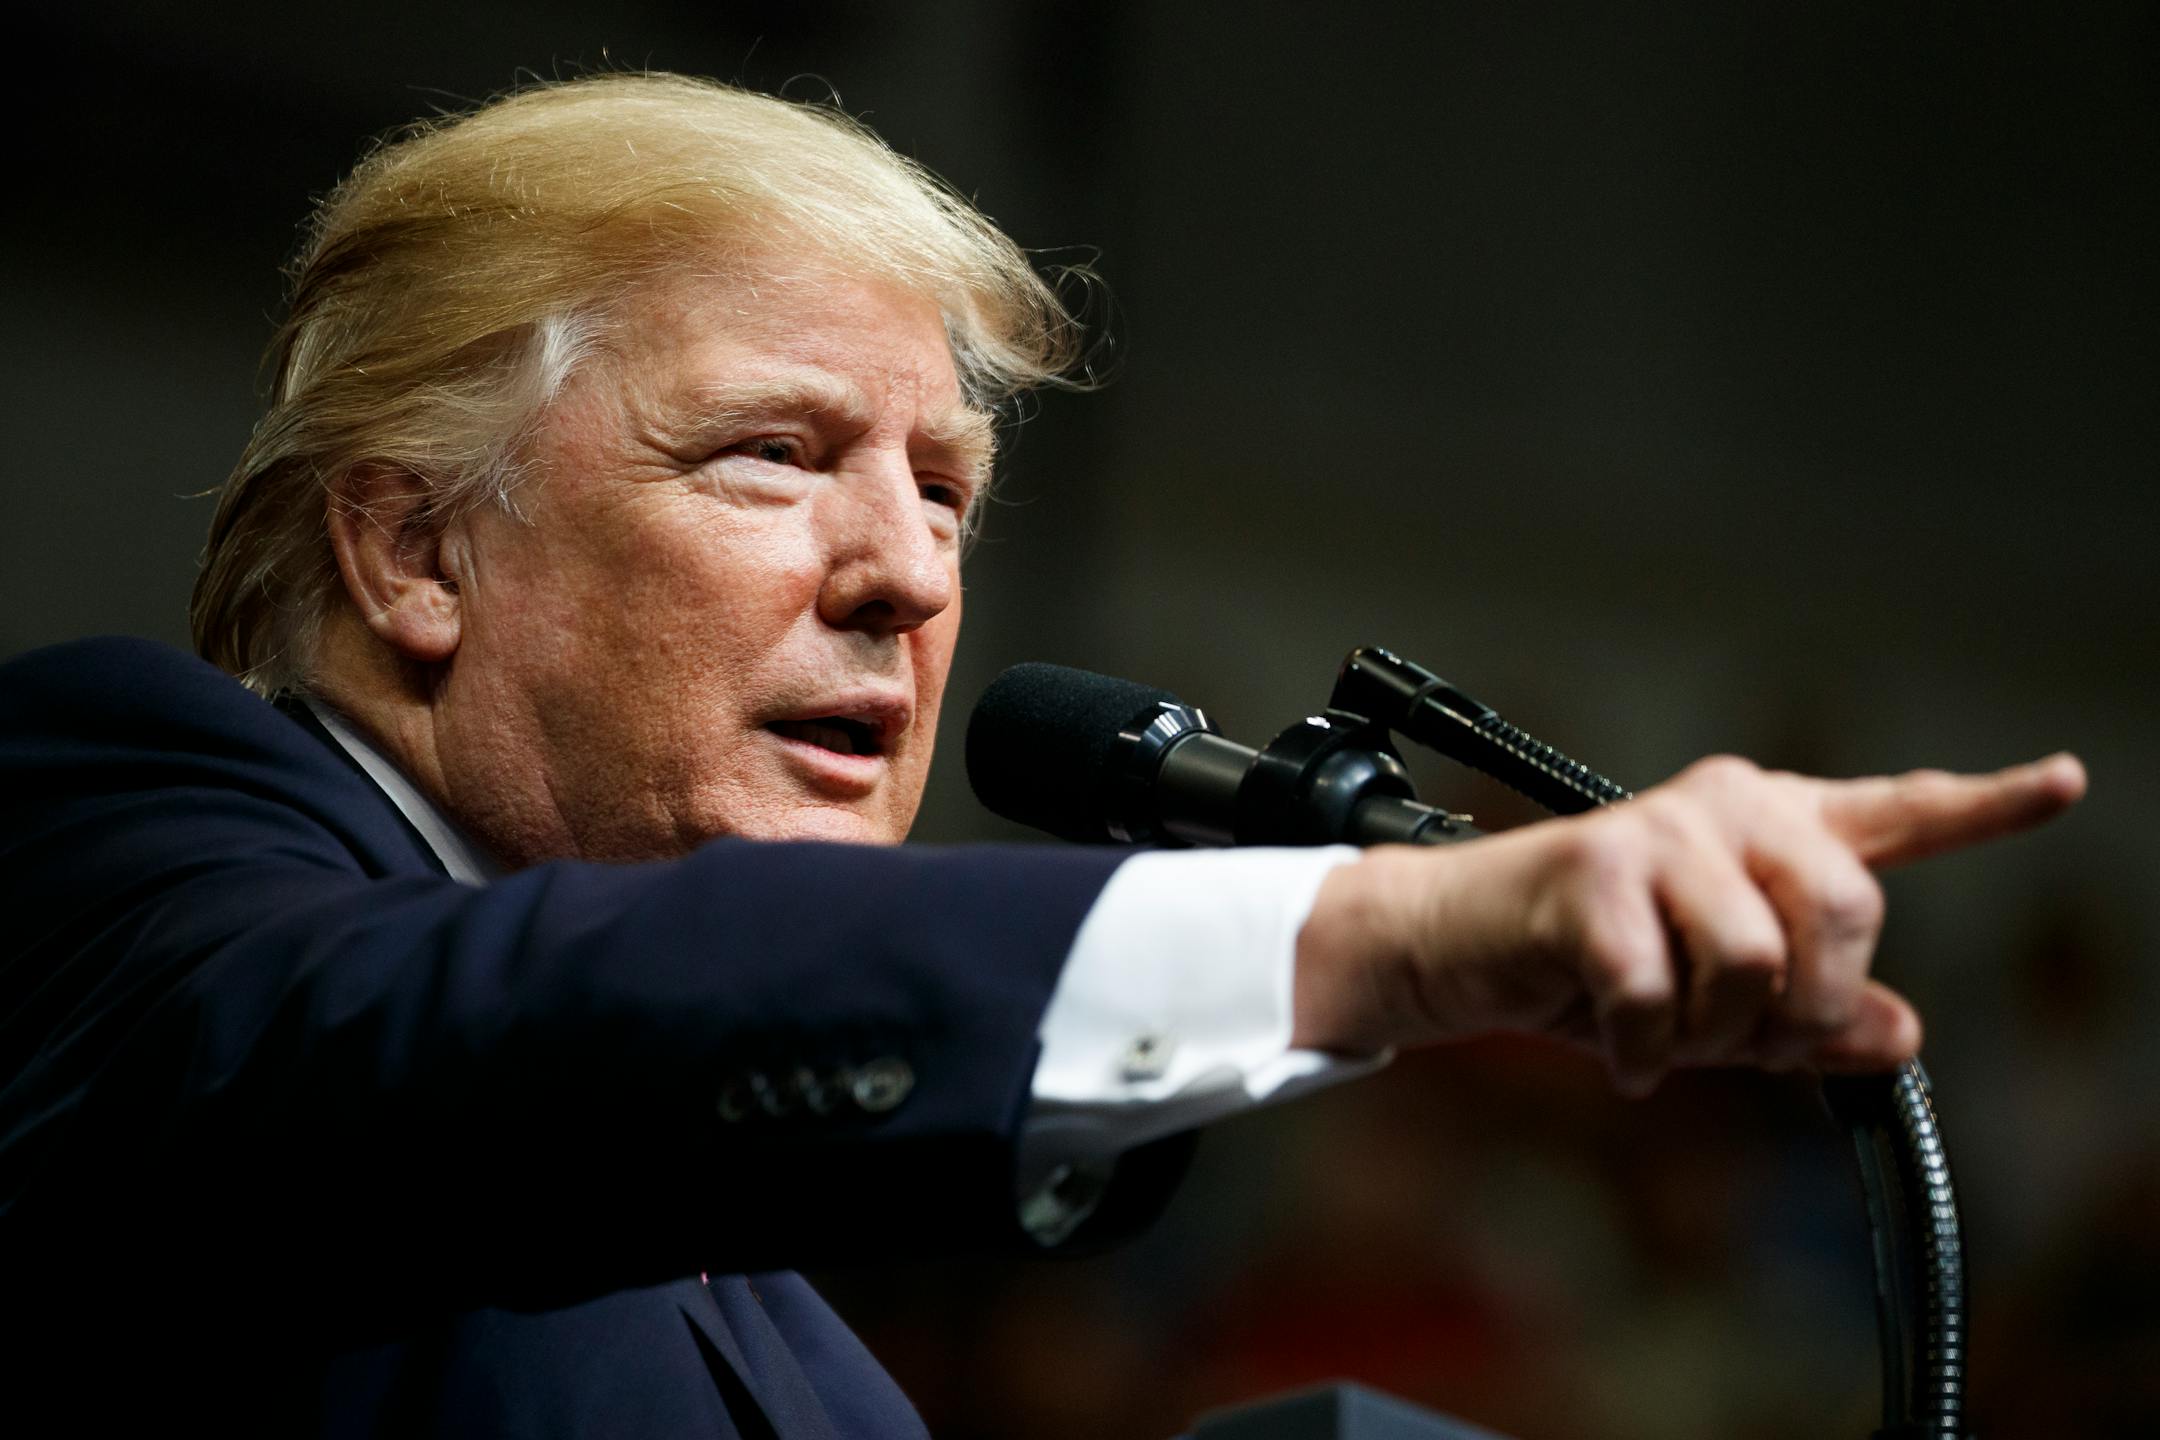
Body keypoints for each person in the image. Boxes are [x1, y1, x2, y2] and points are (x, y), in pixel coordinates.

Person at [0, 73, 2083, 1436]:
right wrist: (1384, 934)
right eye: (777, 456)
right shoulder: (115, 829)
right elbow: (448, 1053)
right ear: (413, 547)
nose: (906, 577)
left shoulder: (792, 1328)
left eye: (944, 492)